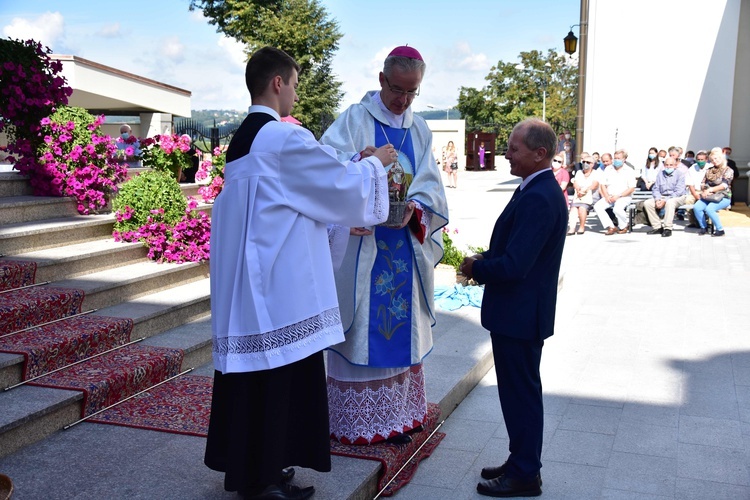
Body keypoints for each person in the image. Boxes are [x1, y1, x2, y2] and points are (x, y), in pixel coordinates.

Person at [204, 46, 396, 500]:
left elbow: (296, 191)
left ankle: (252, 471)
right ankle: (266, 477)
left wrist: (350, 167)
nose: (294, 93)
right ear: (277, 83)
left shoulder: (243, 139)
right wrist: (374, 164)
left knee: (255, 376)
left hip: (249, 282)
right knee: (279, 374)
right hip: (279, 284)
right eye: (293, 83)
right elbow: (338, 187)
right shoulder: (281, 137)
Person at [320, 45, 449, 446]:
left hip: (404, 247)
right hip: (363, 248)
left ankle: (400, 417)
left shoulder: (420, 129)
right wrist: (362, 165)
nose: (404, 100)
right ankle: (359, 421)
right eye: (398, 89)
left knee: (401, 331)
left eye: (413, 92)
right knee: (364, 329)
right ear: (381, 80)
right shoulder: (355, 120)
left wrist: (418, 208)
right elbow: (326, 168)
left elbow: (431, 186)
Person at [459, 118, 566, 498]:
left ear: (540, 154)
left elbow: (516, 265)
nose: (506, 153)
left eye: (514, 148)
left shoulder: (539, 195)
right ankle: (521, 459)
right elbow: (515, 249)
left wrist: (477, 268)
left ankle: (524, 473)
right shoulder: (534, 187)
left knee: (521, 394)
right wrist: (485, 256)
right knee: (518, 393)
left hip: (520, 315)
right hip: (519, 313)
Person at [594, 149, 637, 234]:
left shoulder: (629, 171)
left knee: (617, 209)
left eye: (619, 158)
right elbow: (602, 184)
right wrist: (606, 196)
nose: (616, 160)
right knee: (598, 206)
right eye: (615, 158)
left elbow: (631, 188)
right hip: (609, 196)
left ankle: (624, 226)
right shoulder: (608, 169)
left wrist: (618, 196)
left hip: (623, 196)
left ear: (624, 159)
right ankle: (611, 226)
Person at [694, 147, 734, 236]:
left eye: (716, 158)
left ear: (721, 158)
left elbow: (724, 185)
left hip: (723, 196)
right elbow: (703, 183)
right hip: (709, 195)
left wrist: (711, 189)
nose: (714, 161)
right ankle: (703, 227)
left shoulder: (728, 170)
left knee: (710, 209)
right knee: (697, 207)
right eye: (712, 159)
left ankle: (720, 230)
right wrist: (705, 190)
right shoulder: (709, 170)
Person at [643, 157, 686, 237]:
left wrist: (665, 200)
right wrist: (657, 199)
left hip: (677, 197)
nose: (668, 167)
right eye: (666, 165)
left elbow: (678, 191)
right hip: (662, 196)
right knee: (647, 203)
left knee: (670, 202)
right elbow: (655, 188)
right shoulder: (660, 174)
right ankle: (657, 227)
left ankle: (668, 228)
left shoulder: (680, 175)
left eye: (671, 165)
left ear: (675, 165)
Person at [568, 153, 600, 235]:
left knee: (582, 208)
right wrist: (578, 190)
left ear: (592, 164)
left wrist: (585, 191)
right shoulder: (579, 172)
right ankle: (572, 228)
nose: (585, 164)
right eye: (584, 161)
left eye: (588, 162)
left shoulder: (596, 173)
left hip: (591, 197)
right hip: (578, 196)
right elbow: (575, 183)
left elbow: (594, 185)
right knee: (573, 209)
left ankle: (581, 227)